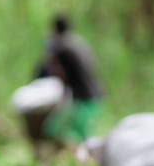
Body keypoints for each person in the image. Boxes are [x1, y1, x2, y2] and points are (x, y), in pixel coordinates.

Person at [37, 15, 106, 149]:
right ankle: (72, 160)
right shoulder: (80, 43)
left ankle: (77, 161)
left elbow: (60, 73)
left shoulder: (62, 47)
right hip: (95, 95)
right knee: (72, 132)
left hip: (83, 98)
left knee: (58, 130)